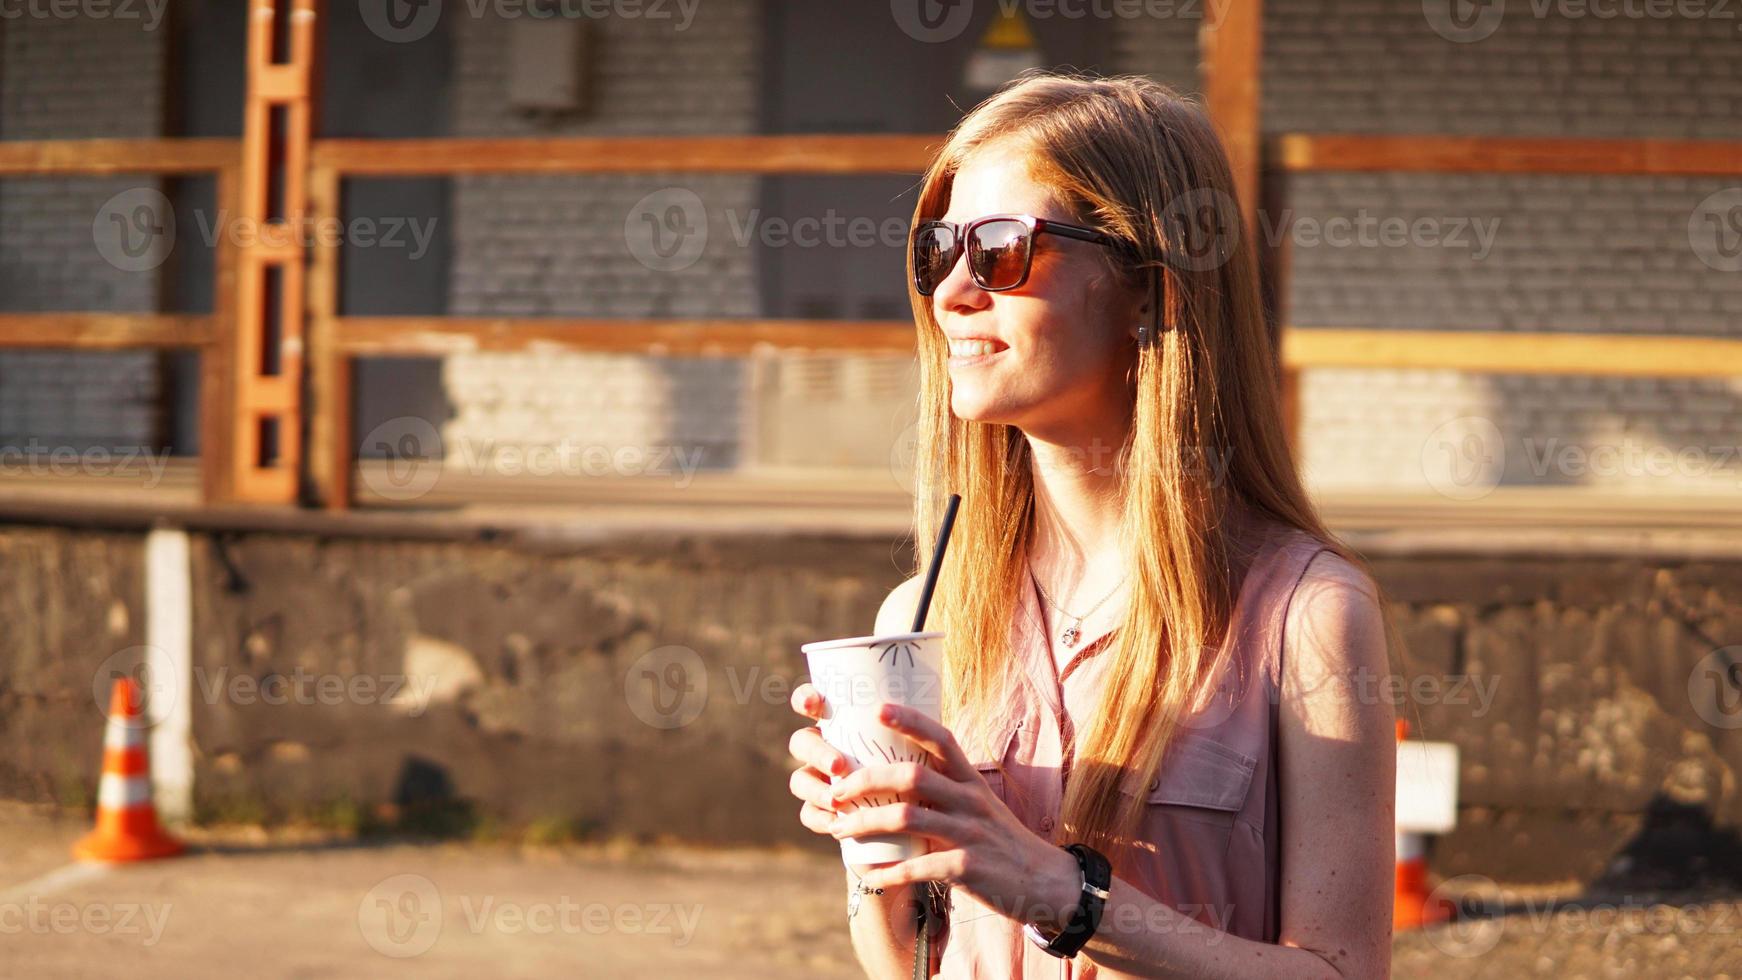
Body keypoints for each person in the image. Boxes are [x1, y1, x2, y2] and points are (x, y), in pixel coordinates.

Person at [787, 70, 1398, 979]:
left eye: (1001, 250)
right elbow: (910, 964)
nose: (951, 291)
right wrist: (874, 855)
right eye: (937, 249)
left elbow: (1343, 973)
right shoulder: (920, 616)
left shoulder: (1306, 615)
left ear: (1148, 289)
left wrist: (1062, 893)